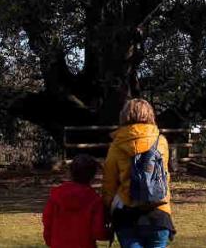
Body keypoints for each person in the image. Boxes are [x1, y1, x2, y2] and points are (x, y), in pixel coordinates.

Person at [102, 99, 174, 248]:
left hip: (127, 215)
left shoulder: (117, 144)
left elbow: (109, 182)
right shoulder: (161, 141)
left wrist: (107, 208)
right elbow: (164, 176)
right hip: (158, 212)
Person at [43, 154, 108, 248]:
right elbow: (98, 232)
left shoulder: (56, 195)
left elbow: (47, 221)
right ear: (92, 175)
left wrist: (50, 241)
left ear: (71, 172)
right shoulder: (94, 200)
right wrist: (108, 233)